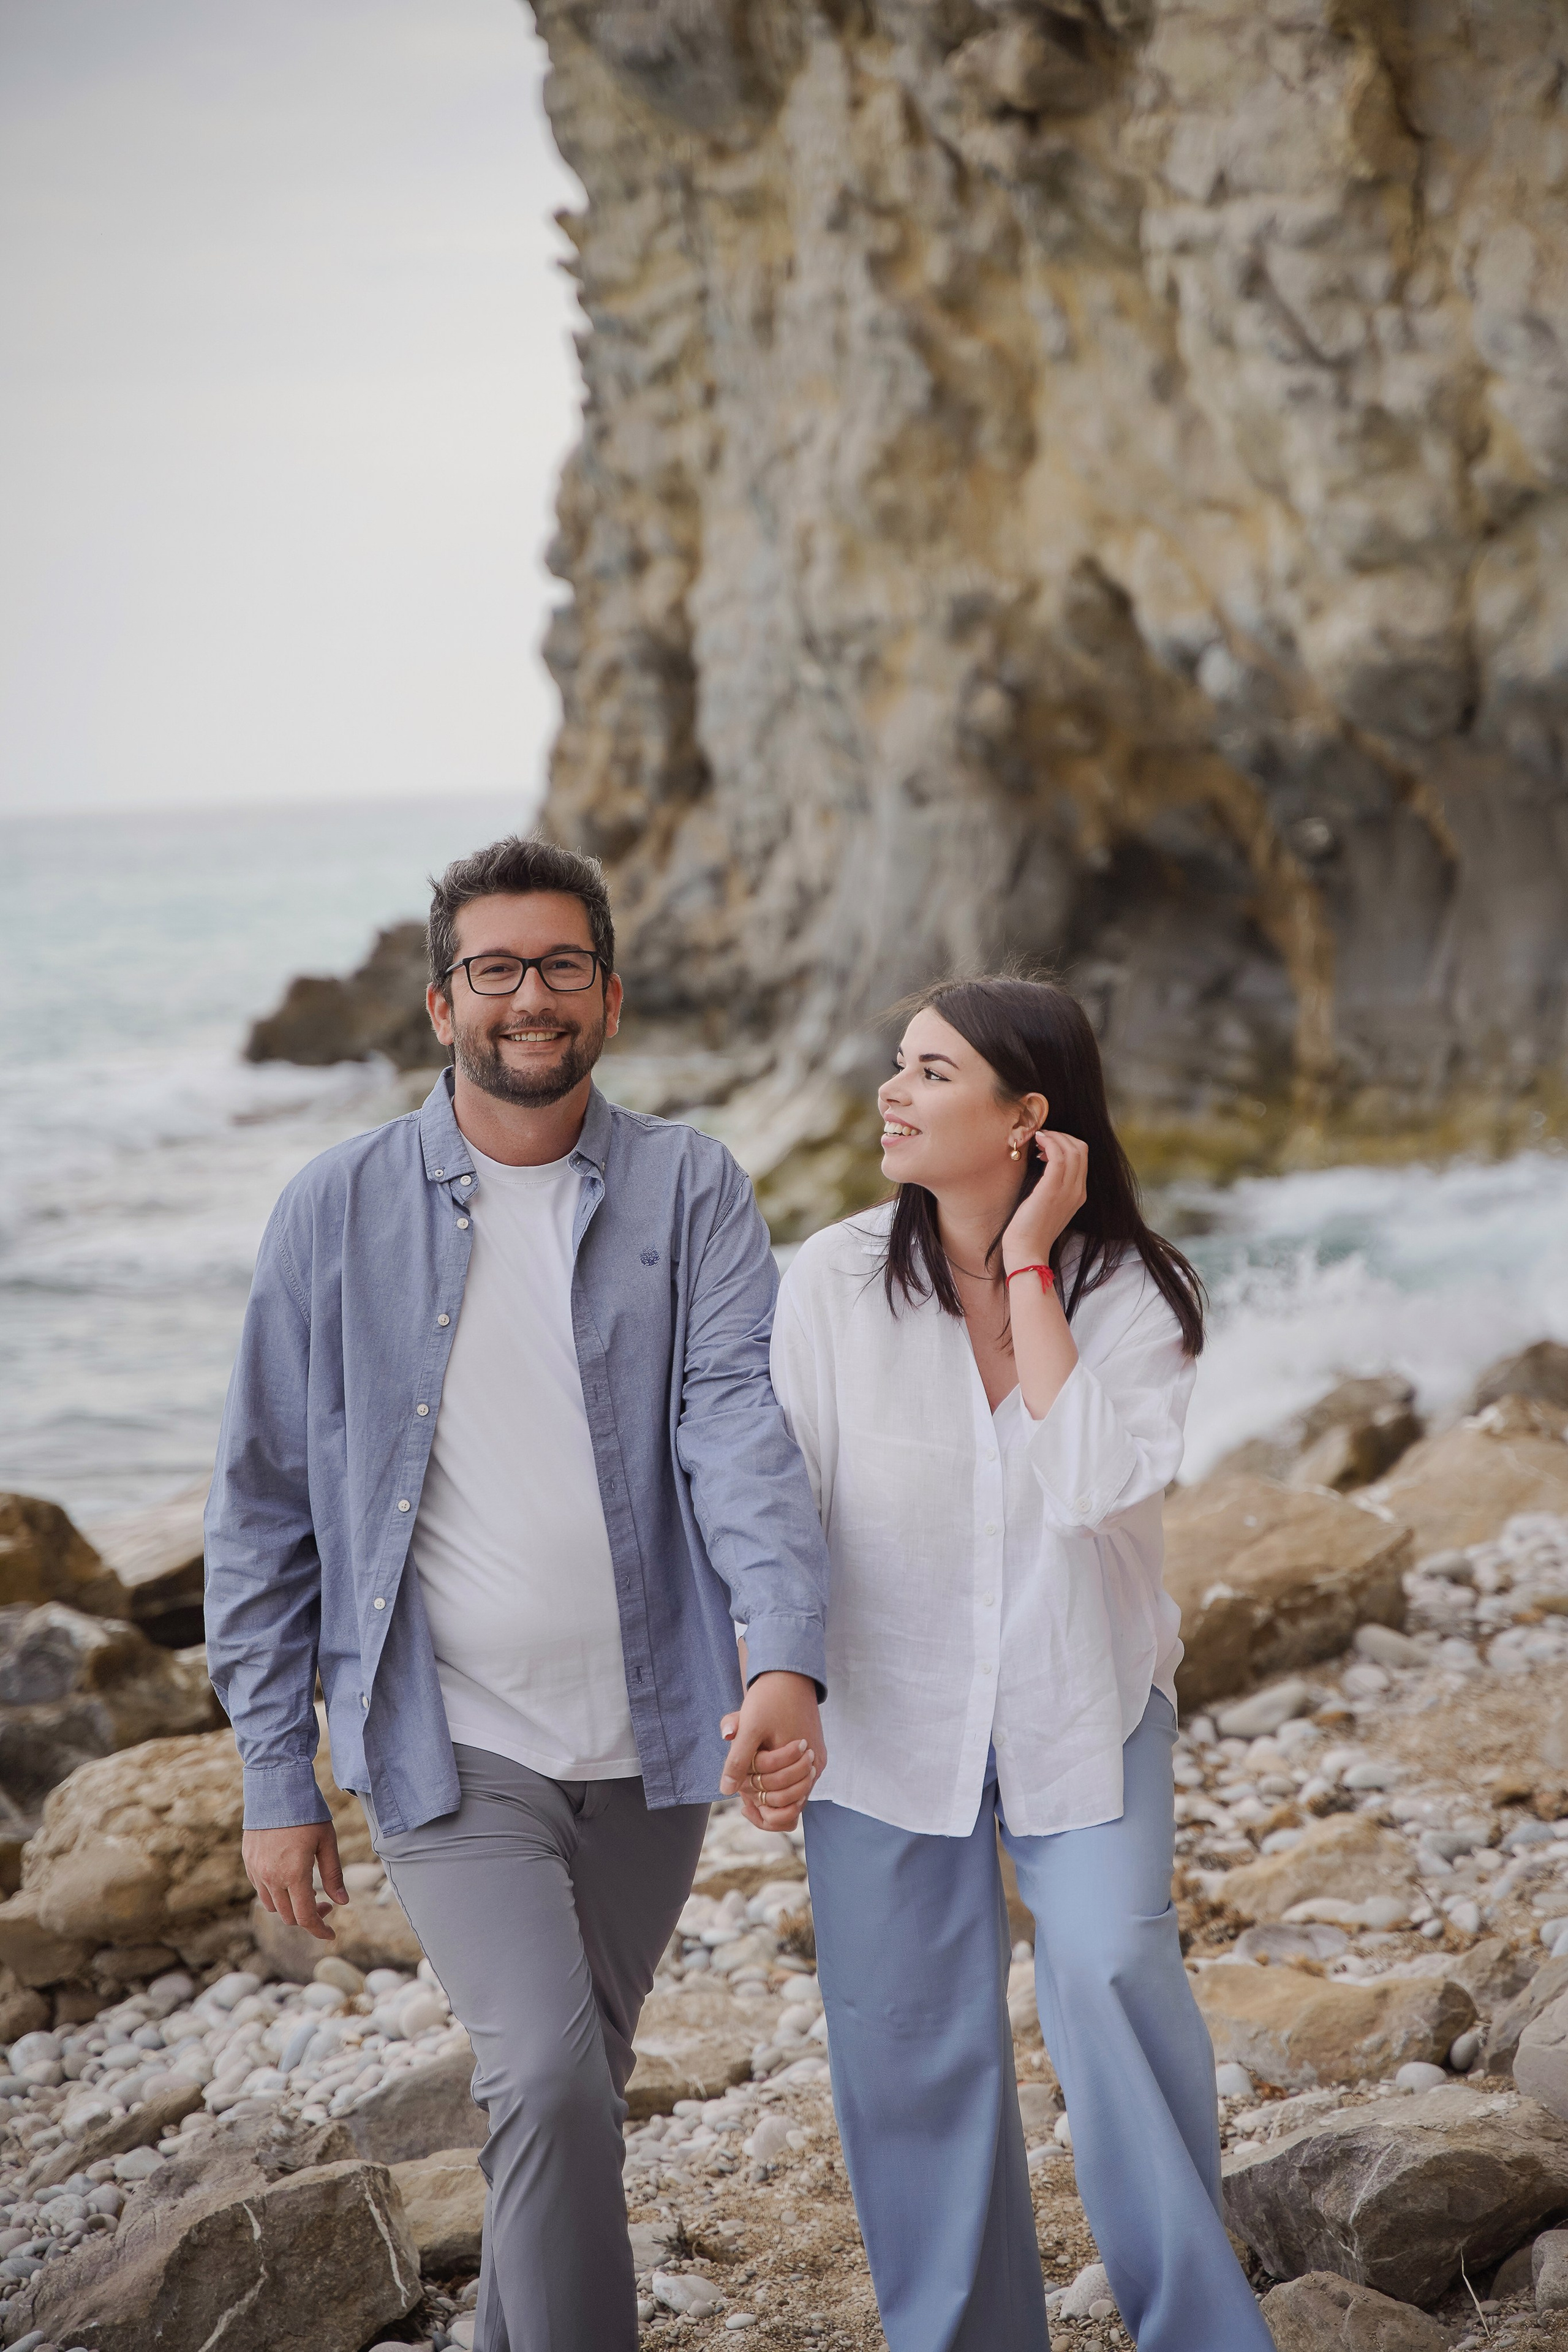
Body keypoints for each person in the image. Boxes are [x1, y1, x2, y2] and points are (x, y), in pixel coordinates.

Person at [205, 834, 829, 2352]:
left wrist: (785, 1656)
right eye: (495, 969)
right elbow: (263, 1504)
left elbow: (735, 1423)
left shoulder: (690, 1190)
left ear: (606, 998)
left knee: (567, 2098)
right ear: (441, 1006)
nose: (527, 998)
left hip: (658, 1741)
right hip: (447, 1740)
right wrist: (275, 1774)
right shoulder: (332, 1212)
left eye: (558, 967)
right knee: (546, 2077)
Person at [763, 974, 1274, 2352]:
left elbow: (1098, 1485)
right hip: (886, 1718)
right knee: (910, 2044)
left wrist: (1033, 1260)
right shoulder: (826, 1279)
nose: (891, 1091)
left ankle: (1199, 2330)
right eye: (895, 1064)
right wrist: (774, 1678)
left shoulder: (1138, 1290)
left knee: (1109, 1971)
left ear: (1026, 1118)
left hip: (1082, 1704)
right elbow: (780, 1502)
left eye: (931, 1072)